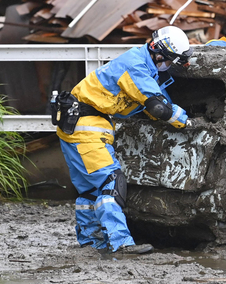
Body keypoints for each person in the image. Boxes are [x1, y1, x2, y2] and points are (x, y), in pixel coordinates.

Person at [53, 26, 193, 254]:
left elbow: (146, 99)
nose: (170, 67)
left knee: (89, 191)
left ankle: (91, 242)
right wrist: (186, 121)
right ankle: (121, 243)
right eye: (170, 62)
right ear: (159, 55)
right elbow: (157, 107)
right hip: (87, 130)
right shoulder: (136, 66)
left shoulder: (139, 59)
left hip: (75, 127)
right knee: (112, 181)